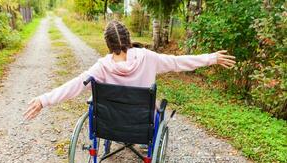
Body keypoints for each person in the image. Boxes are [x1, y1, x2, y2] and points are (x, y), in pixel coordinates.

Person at [24, 20, 235, 120]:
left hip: (111, 120)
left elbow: (75, 85)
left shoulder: (102, 66)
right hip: (142, 120)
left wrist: (44, 100)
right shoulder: (149, 58)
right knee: (157, 109)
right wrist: (211, 58)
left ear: (108, 43)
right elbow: (179, 62)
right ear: (128, 39)